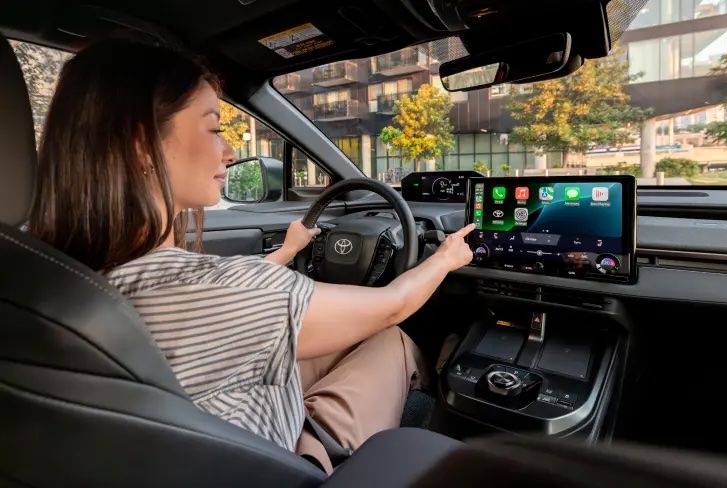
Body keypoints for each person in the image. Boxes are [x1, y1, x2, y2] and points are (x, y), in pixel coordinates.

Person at [28, 39, 475, 473]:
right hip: (277, 466)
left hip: (189, 448)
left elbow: (229, 298)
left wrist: (287, 252)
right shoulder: (214, 290)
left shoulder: (57, 277)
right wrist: (445, 258)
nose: (230, 151)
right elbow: (392, 305)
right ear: (143, 144)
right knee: (389, 339)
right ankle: (330, 443)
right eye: (213, 128)